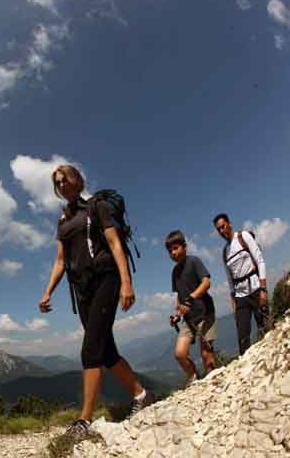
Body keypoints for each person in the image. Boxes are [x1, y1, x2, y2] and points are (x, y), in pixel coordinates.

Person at [39, 165, 154, 440]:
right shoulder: (62, 221)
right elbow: (60, 261)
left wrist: (126, 283)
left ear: (77, 180)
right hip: (82, 290)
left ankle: (83, 421)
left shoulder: (96, 207)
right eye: (57, 182)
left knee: (91, 348)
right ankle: (143, 395)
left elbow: (114, 244)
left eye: (65, 179)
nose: (62, 184)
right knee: (105, 352)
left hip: (106, 279)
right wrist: (47, 292)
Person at [165, 230, 217, 386]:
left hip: (205, 312)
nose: (173, 253)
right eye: (169, 251)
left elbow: (206, 282)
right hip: (188, 318)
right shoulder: (174, 272)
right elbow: (179, 296)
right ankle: (195, 378)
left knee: (206, 354)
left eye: (175, 248)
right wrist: (177, 314)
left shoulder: (194, 261)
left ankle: (213, 383)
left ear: (185, 247)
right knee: (180, 354)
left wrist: (190, 299)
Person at [213, 213, 270, 355]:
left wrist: (263, 289)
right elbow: (229, 277)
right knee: (243, 337)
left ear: (229, 224)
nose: (221, 231)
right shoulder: (225, 252)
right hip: (240, 296)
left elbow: (259, 260)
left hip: (256, 288)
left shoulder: (244, 237)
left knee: (266, 328)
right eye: (218, 229)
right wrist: (233, 300)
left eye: (223, 226)